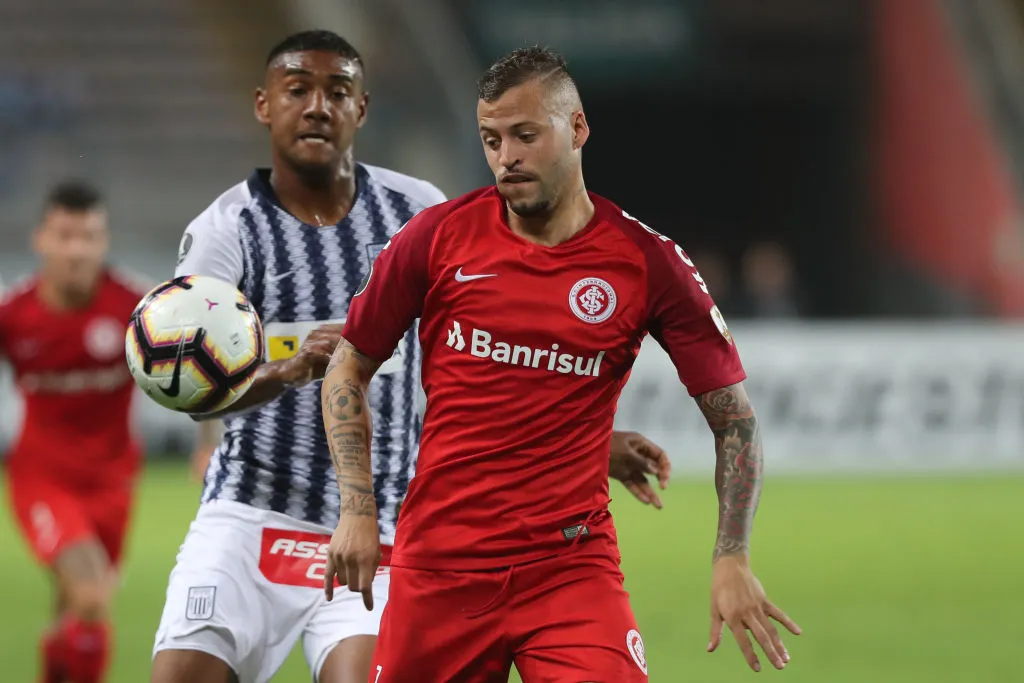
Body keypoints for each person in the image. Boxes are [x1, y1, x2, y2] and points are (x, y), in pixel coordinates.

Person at [153, 31, 672, 683]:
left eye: (337, 92)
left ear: (361, 109)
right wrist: (286, 371)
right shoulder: (226, 229)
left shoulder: (419, 210)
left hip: (385, 517)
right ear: (265, 106)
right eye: (298, 91)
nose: (318, 107)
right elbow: (183, 385)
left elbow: (490, 363)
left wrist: (586, 445)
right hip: (253, 508)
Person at [322, 46, 802, 682]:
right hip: (440, 567)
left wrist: (732, 557)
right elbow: (346, 369)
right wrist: (357, 509)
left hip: (570, 571)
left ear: (576, 129)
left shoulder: (646, 262)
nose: (506, 157)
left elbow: (735, 422)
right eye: (491, 139)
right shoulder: (436, 239)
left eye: (525, 135)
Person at [0, 181, 151, 683]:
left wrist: (207, 442)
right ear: (40, 239)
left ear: (103, 241)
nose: (76, 250)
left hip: (114, 483)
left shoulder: (138, 307)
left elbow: (205, 365)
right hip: (43, 479)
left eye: (88, 236)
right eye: (65, 236)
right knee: (91, 595)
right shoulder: (13, 314)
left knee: (74, 610)